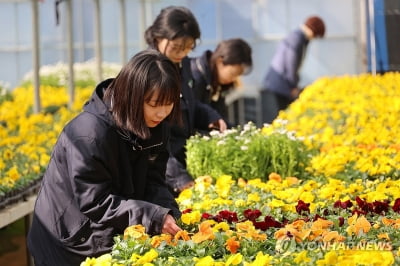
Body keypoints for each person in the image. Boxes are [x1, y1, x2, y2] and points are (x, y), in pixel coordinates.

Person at [27, 50, 183, 266]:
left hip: (104, 230)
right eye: (154, 104)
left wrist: (167, 213)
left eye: (169, 103)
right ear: (132, 95)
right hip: (69, 240)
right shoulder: (88, 134)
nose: (162, 113)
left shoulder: (156, 127)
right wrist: (153, 217)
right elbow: (95, 200)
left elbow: (154, 181)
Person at [144, 6, 227, 196]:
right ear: (158, 38)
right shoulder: (148, 70)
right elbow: (150, 141)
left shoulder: (182, 63)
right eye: (176, 47)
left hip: (180, 157)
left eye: (188, 48)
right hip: (160, 171)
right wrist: (180, 179)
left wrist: (210, 116)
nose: (182, 53)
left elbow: (190, 101)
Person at [261, 15, 326, 124]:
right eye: (316, 35)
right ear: (313, 29)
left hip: (278, 82)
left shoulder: (298, 37)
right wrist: (292, 86)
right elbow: (291, 63)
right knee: (278, 120)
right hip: (278, 84)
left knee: (281, 119)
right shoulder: (297, 38)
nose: (314, 38)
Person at [190, 38, 253, 124]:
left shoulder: (218, 84)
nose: (234, 79)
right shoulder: (195, 76)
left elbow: (221, 116)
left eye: (237, 76)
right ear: (220, 61)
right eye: (233, 73)